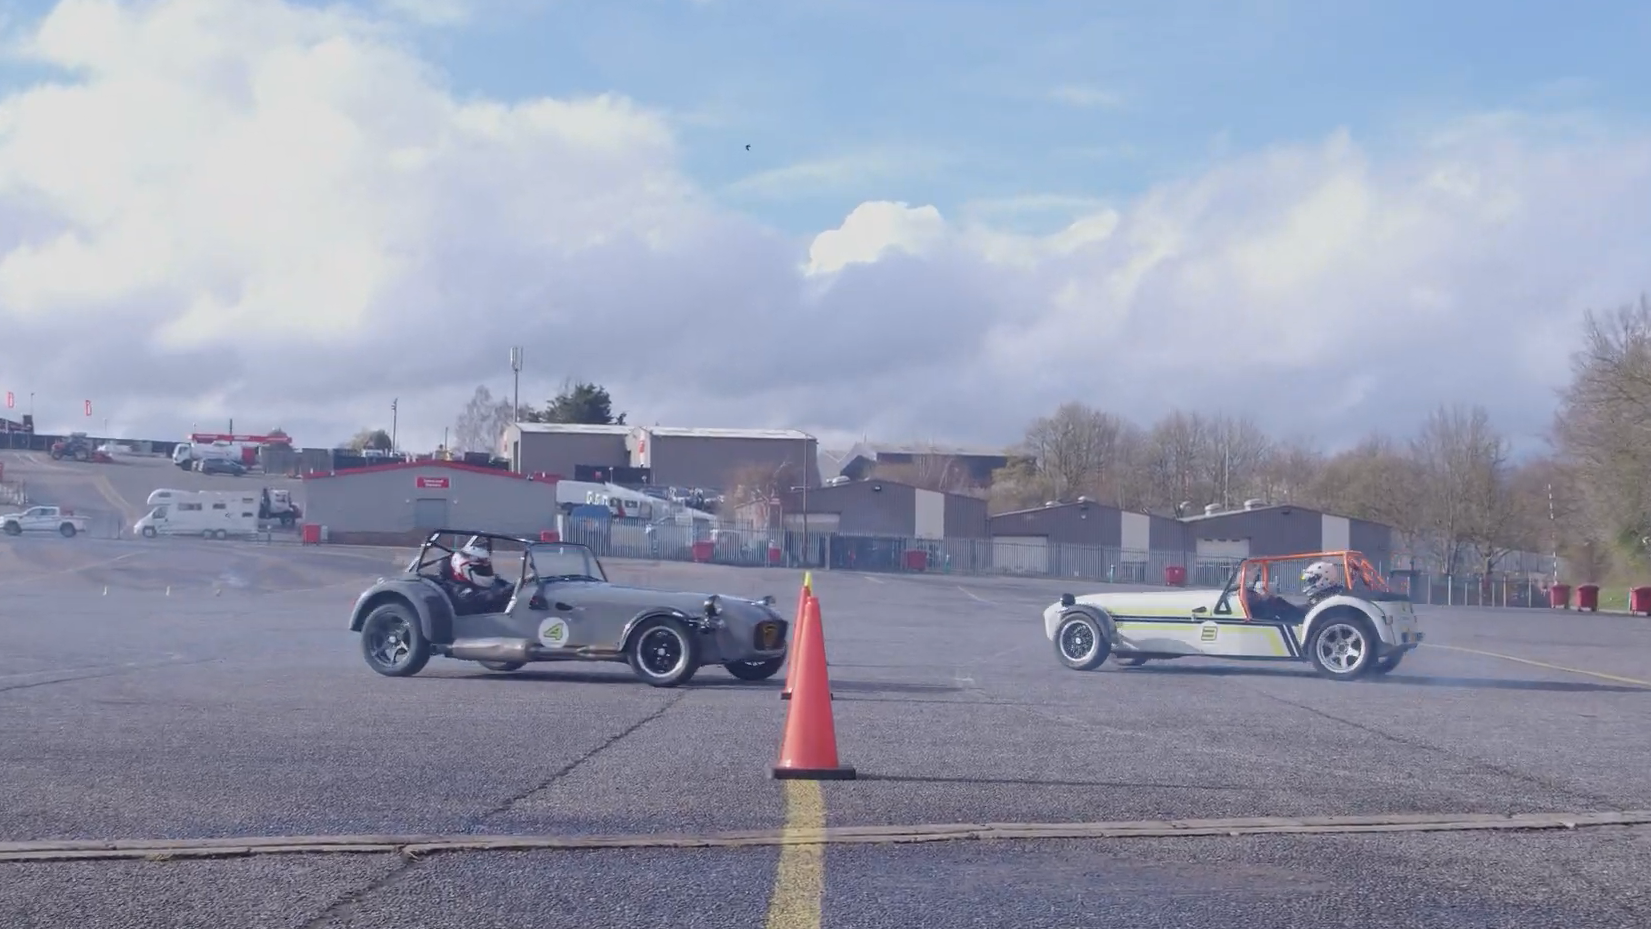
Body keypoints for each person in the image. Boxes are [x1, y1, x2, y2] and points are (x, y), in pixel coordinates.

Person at [448, 540, 512, 614]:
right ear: (464, 567)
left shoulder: (496, 583)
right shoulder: (458, 590)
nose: (486, 571)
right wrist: (507, 591)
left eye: (487, 568)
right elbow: (482, 598)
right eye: (481, 568)